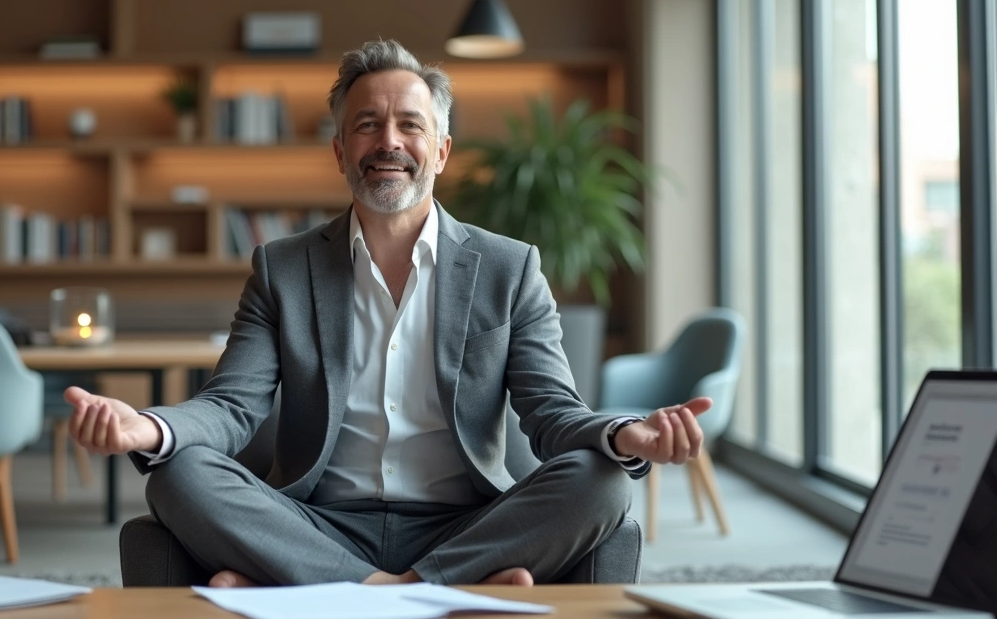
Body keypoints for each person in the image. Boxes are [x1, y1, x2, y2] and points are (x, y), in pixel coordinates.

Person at [64, 39, 713, 588]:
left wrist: (627, 437)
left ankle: (331, 585)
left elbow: (552, 416)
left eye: (410, 123)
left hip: (464, 521)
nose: (389, 141)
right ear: (341, 151)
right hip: (317, 518)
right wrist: (146, 428)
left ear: (441, 149)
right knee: (179, 473)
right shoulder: (283, 268)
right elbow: (232, 408)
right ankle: (405, 590)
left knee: (601, 481)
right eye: (367, 124)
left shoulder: (509, 267)